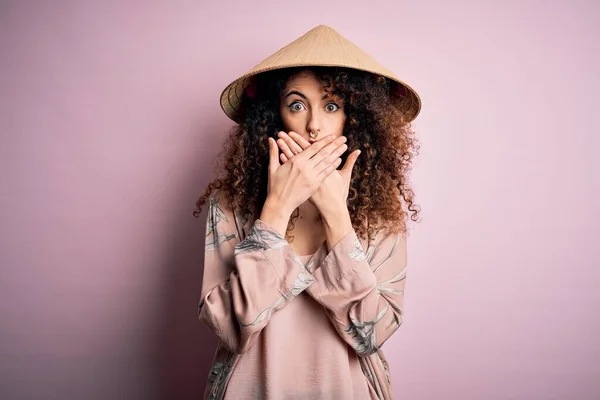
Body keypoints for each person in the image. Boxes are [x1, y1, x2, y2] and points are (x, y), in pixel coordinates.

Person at [193, 24, 422, 400]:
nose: (314, 125)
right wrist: (276, 209)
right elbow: (231, 327)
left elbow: (372, 334)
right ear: (273, 115)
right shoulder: (230, 205)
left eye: (332, 106)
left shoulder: (380, 211)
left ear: (355, 118)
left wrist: (336, 215)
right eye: (296, 105)